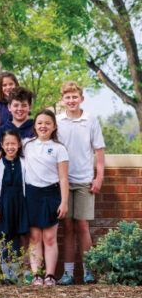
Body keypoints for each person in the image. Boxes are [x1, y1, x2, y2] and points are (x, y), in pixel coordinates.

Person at [57, 81, 105, 285]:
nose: (71, 100)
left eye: (74, 97)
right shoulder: (57, 121)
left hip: (85, 180)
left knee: (83, 226)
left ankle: (89, 271)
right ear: (62, 100)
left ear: (81, 99)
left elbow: (99, 151)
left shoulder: (90, 120)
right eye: (67, 97)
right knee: (67, 227)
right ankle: (68, 273)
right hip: (63, 182)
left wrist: (99, 177)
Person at [21, 110, 69, 285]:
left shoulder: (59, 148)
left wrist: (64, 202)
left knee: (49, 237)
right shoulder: (27, 145)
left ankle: (49, 275)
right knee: (34, 238)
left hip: (51, 194)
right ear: (35, 126)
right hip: (32, 194)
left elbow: (64, 178)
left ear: (54, 126)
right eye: (40, 123)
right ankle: (36, 275)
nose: (43, 126)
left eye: (47, 123)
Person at [0, 129, 29, 283]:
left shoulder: (24, 162)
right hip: (4, 204)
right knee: (4, 239)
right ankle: (6, 274)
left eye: (13, 143)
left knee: (17, 239)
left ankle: (17, 274)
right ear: (2, 145)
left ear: (19, 145)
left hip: (19, 204)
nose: (10, 147)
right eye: (7, 144)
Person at [0, 87, 35, 156]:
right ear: (9, 107)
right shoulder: (1, 131)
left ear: (29, 108)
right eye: (16, 105)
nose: (19, 109)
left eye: (24, 105)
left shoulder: (36, 128)